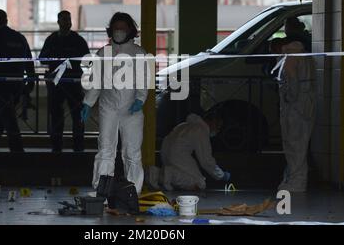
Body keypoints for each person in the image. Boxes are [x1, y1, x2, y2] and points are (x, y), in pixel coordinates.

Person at [80, 12, 148, 194]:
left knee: (132, 152)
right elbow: (96, 82)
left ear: (131, 31)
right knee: (105, 149)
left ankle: (133, 192)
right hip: (108, 108)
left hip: (131, 110)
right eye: (116, 28)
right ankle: (101, 190)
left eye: (123, 28)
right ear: (111, 30)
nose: (119, 32)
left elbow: (143, 80)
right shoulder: (103, 53)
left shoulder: (139, 53)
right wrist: (88, 102)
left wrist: (140, 99)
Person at [0, 9, 35, 152]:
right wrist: (29, 86)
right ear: (6, 20)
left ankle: (16, 152)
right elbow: (29, 63)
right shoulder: (19, 38)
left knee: (6, 118)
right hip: (17, 86)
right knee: (3, 117)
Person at [39, 11, 90, 152]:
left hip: (68, 81)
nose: (67, 22)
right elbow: (42, 58)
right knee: (59, 114)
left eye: (68, 19)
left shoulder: (60, 39)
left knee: (74, 115)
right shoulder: (73, 39)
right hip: (62, 81)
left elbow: (86, 60)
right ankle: (59, 145)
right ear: (59, 22)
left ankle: (75, 146)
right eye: (65, 20)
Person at [271, 38, 316, 192]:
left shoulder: (291, 57)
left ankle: (297, 181)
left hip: (295, 108)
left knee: (294, 145)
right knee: (299, 145)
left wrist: (289, 99)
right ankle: (296, 178)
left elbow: (292, 84)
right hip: (304, 106)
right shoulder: (303, 56)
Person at [145, 112, 231, 191]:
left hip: (165, 150)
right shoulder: (201, 130)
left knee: (183, 174)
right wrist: (221, 175)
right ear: (212, 121)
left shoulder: (186, 125)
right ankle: (167, 174)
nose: (218, 130)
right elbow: (206, 160)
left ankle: (155, 173)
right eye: (218, 126)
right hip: (178, 153)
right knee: (199, 183)